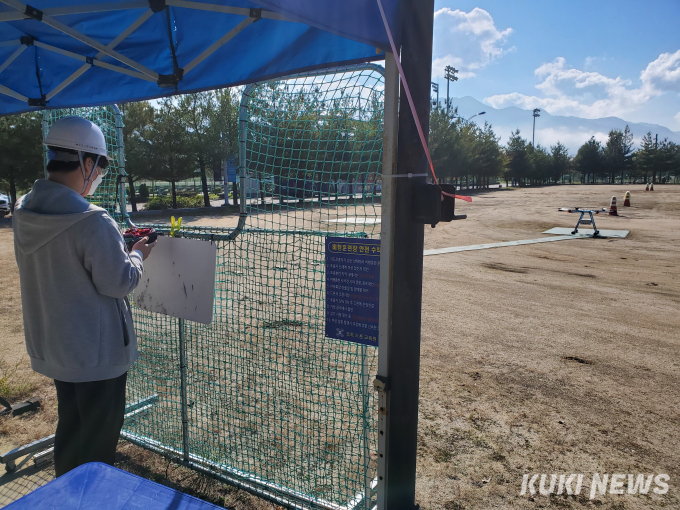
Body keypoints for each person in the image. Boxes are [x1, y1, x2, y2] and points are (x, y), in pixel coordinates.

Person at [12, 116, 156, 476]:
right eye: (102, 166)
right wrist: (137, 253)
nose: (100, 175)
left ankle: (67, 495)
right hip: (96, 355)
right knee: (97, 445)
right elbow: (120, 282)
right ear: (87, 163)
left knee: (72, 430)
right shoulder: (93, 220)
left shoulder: (24, 210)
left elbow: (69, 261)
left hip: (59, 349)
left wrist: (113, 246)